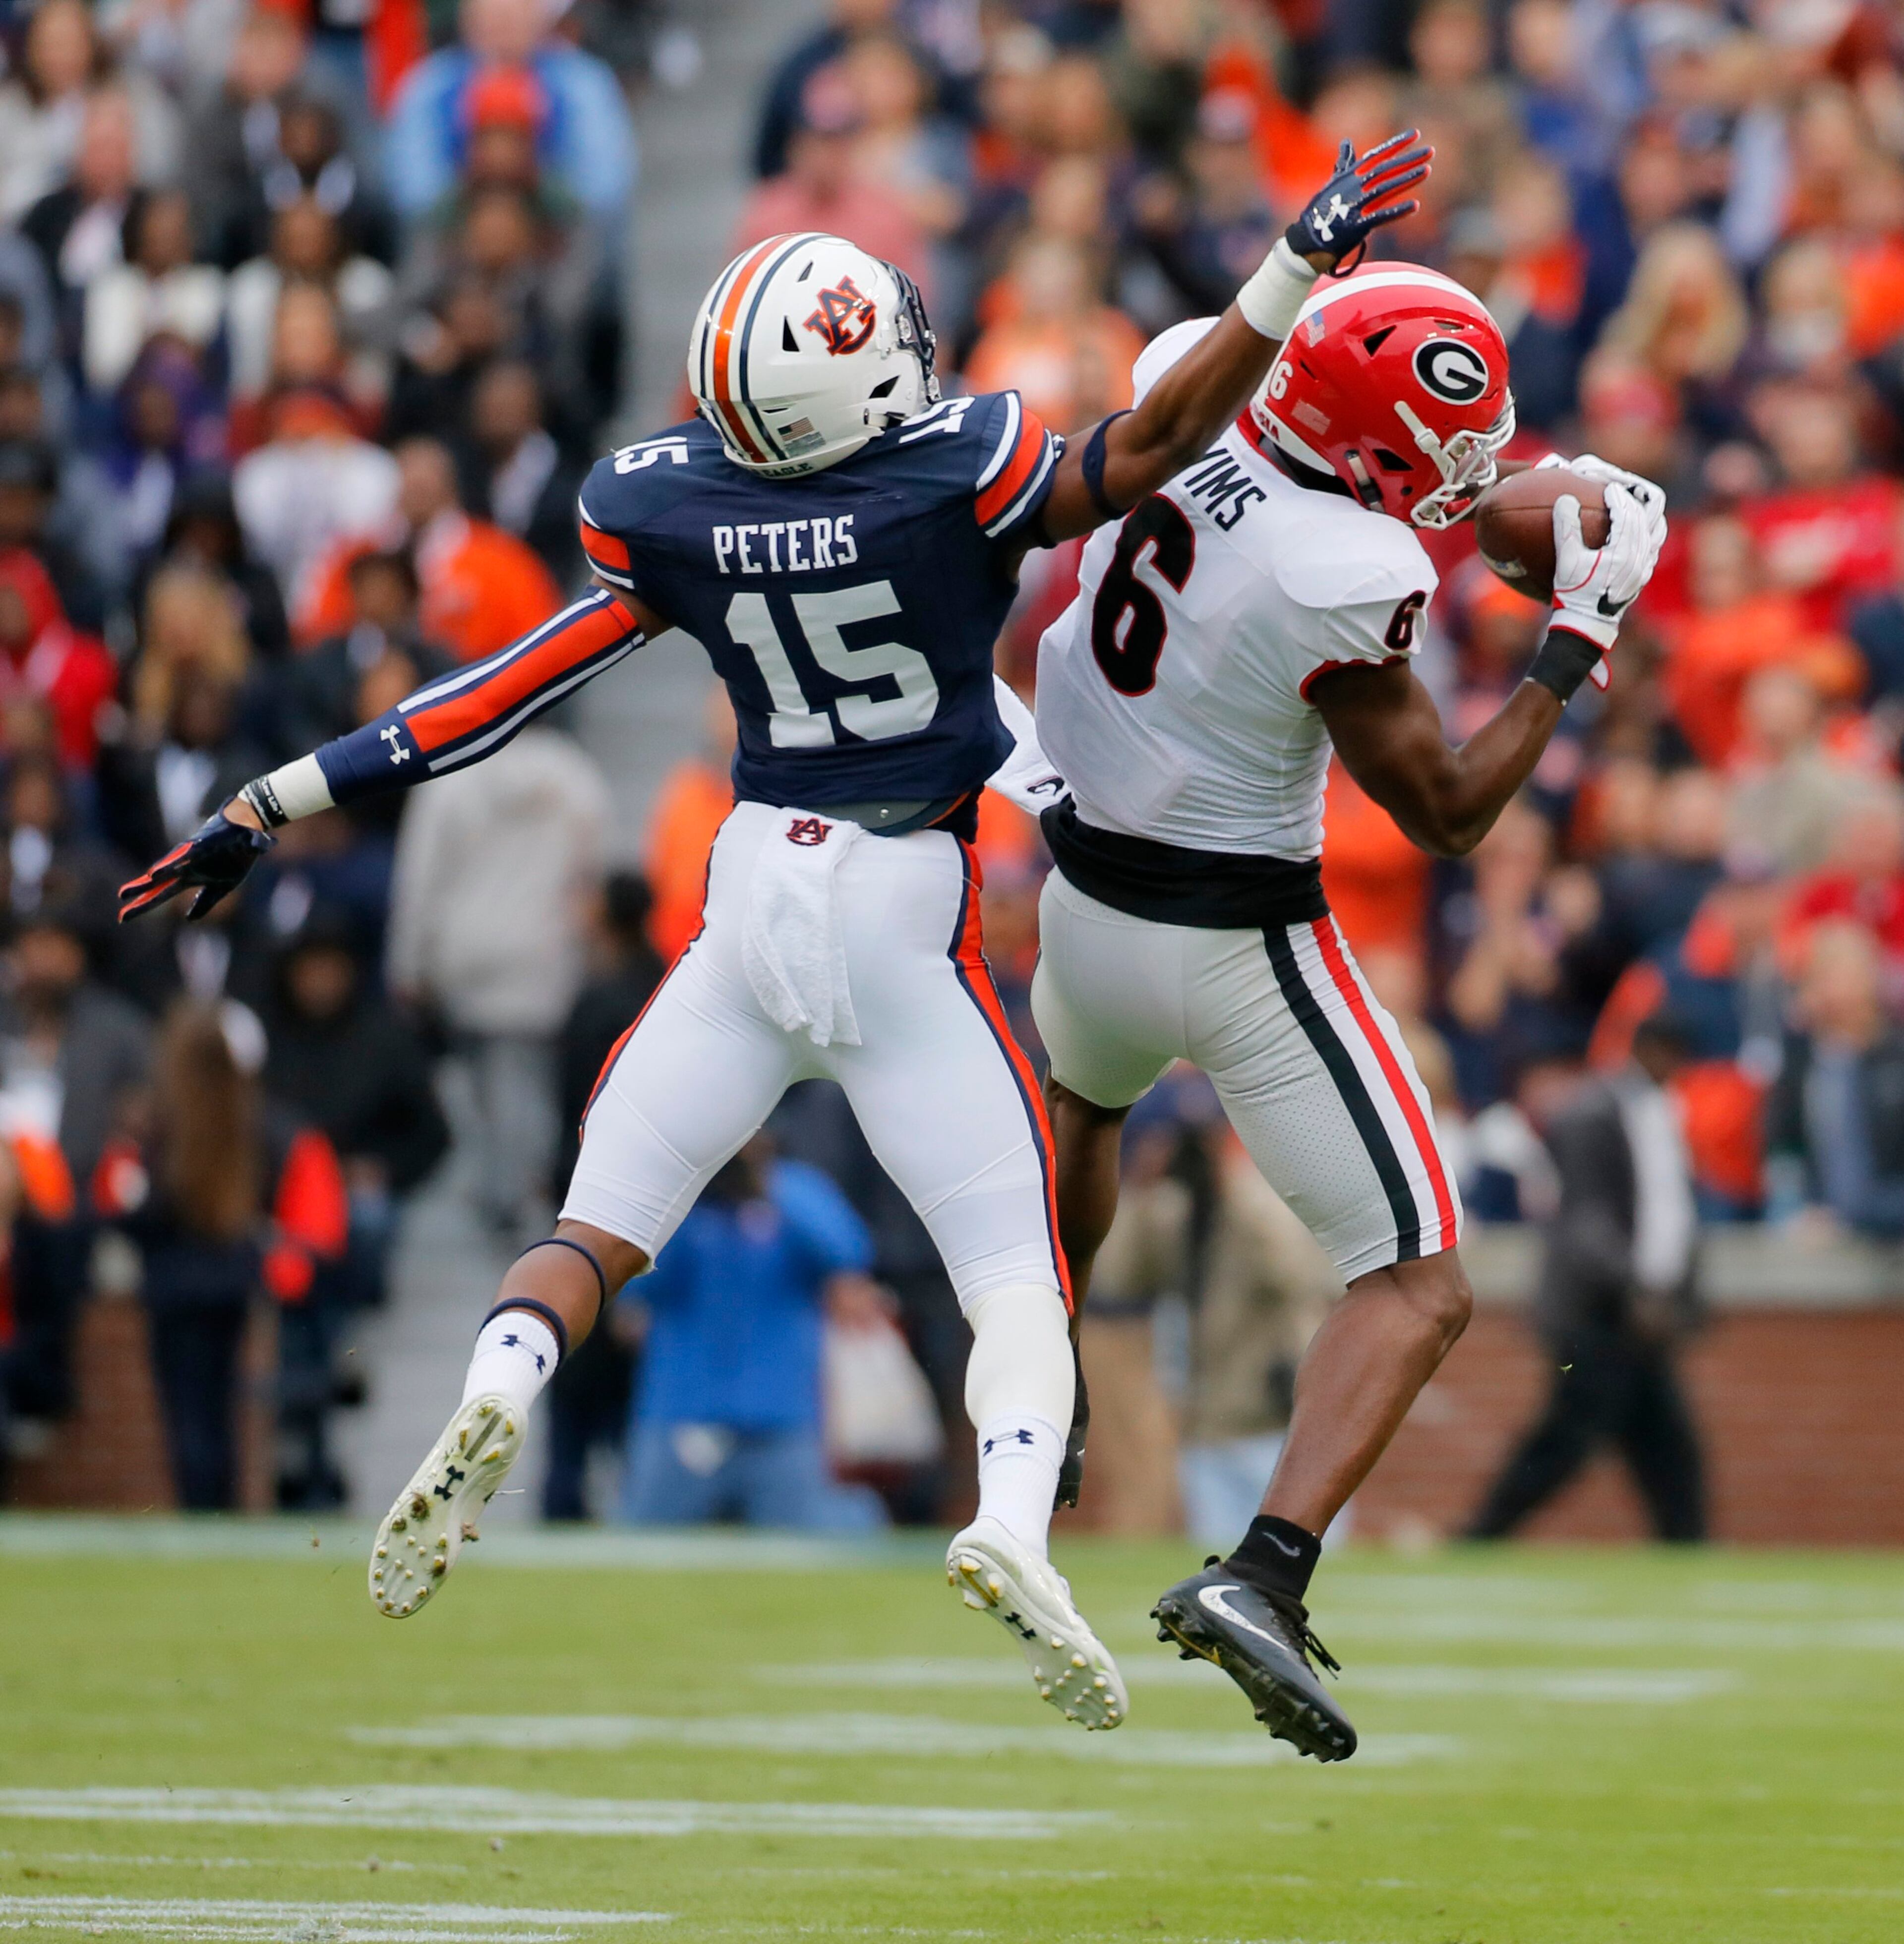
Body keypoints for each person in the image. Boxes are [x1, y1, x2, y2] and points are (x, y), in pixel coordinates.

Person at [118, 130, 1433, 1730]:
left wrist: (271, 798)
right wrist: (1290, 269)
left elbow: (497, 692)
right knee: (1015, 1272)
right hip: (899, 905)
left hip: (746, 890)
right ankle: (1014, 1527)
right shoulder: (957, 467)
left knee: (601, 1222)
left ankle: (494, 1390)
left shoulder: (665, 503)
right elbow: (1154, 439)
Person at [1028, 260, 1667, 1757]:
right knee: (1417, 1277)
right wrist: (1576, 638)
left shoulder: (1204, 367)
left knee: (1085, 1107)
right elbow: (1443, 811)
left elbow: (1345, 470)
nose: (1465, 475)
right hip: (1228, 930)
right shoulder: (1341, 571)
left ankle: (1032, 1370)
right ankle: (1266, 1568)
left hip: (1081, 894)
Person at [1466, 1014, 1707, 1542]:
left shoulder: (1654, 1114)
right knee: (1569, 1437)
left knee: (1664, 1444)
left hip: (1635, 1311)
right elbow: (1586, 1220)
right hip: (1593, 1311)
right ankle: (1480, 1536)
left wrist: (1674, 1294)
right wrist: (1636, 1285)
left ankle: (1690, 1545)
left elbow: (1671, 1217)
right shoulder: (1591, 1114)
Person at [616, 1133, 888, 1531]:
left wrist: (766, 1184)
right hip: (682, 1414)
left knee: (802, 1561)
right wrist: (688, 1191)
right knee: (645, 1548)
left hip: (780, 1419)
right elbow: (634, 1284)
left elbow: (849, 1252)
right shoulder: (681, 1199)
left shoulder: (796, 1189)